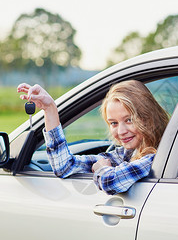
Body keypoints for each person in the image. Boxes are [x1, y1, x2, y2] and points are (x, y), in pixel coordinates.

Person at [17, 80, 169, 195]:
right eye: (113, 123)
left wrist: (102, 168)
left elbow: (111, 182)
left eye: (129, 120)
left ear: (147, 118)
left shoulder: (156, 157)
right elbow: (64, 166)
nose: (121, 131)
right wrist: (50, 109)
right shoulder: (126, 154)